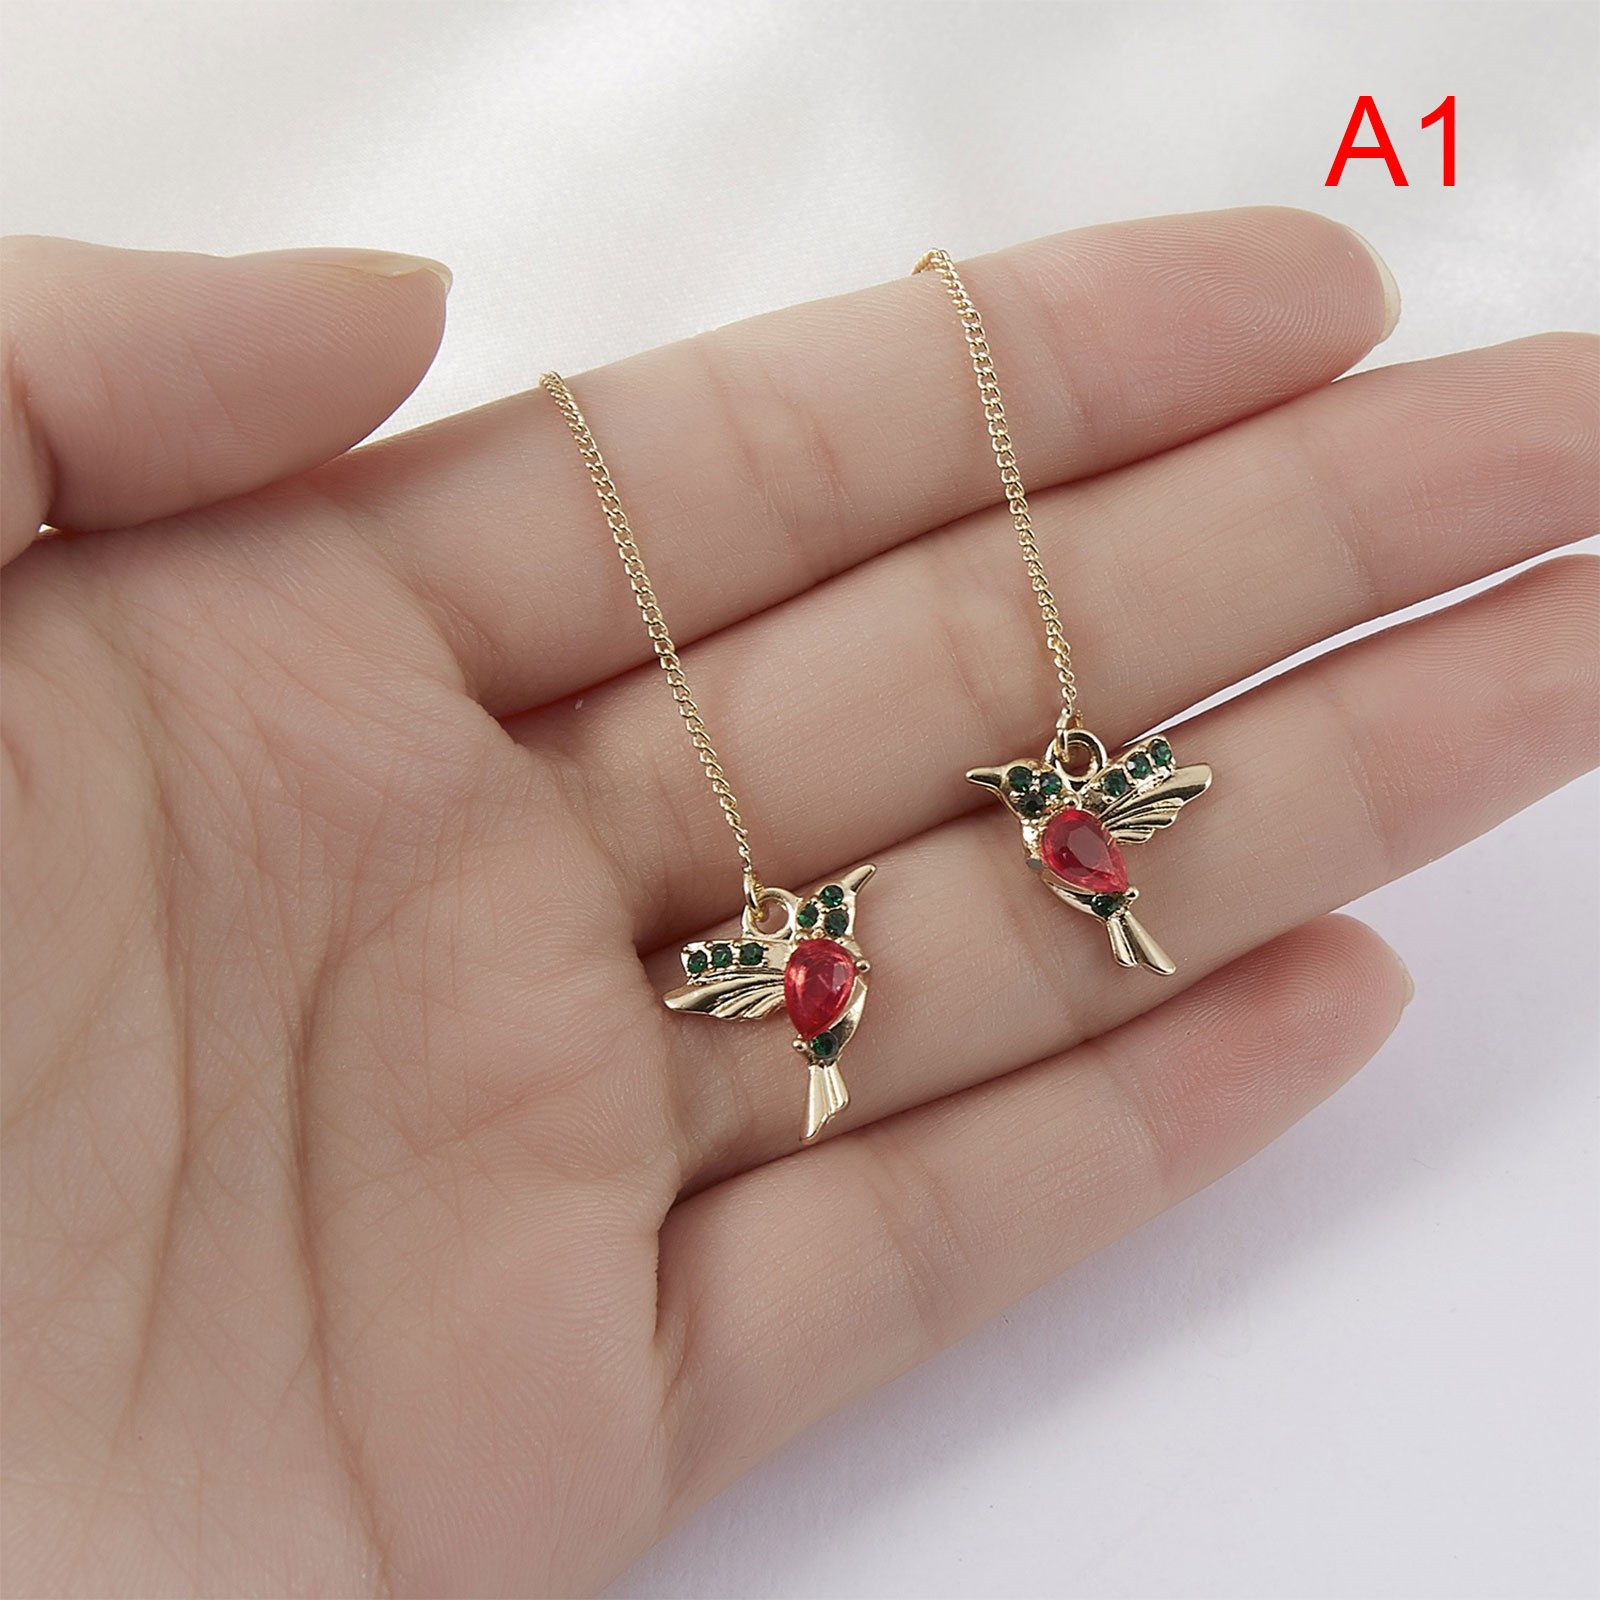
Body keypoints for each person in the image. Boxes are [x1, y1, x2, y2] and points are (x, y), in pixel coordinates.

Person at [2, 212, 1594, 1598]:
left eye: (1046, 798)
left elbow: (1094, 805)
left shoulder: (1045, 827)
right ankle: (1017, 973)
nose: (1043, 801)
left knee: (1105, 927)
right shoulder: (836, 929)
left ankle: (1083, 940)